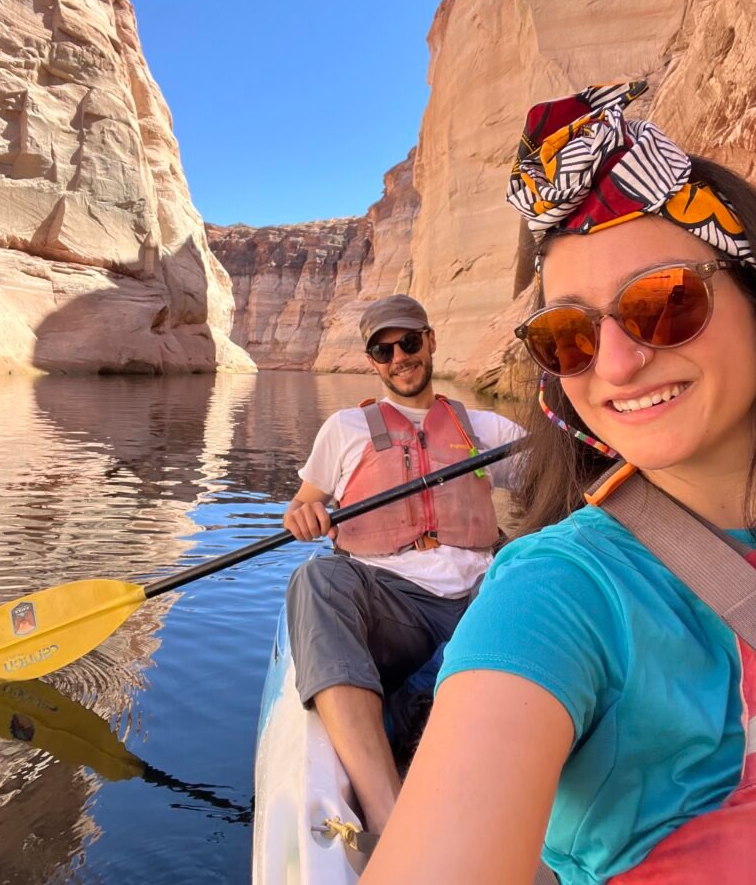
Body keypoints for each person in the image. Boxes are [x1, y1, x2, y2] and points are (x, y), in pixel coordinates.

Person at [361, 81, 756, 884]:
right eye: (568, 333)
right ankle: (377, 794)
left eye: (666, 303)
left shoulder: (482, 433)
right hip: (414, 593)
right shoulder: (557, 589)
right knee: (322, 595)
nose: (614, 362)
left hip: (455, 584)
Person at [284, 293, 522, 835]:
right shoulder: (344, 429)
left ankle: (422, 696)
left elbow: (553, 475)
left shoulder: (483, 430)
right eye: (383, 350)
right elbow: (302, 505)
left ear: (430, 341)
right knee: (317, 578)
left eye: (409, 343)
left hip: (479, 600)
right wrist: (303, 517)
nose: (400, 358)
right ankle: (387, 810)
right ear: (372, 360)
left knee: (532, 564)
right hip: (393, 603)